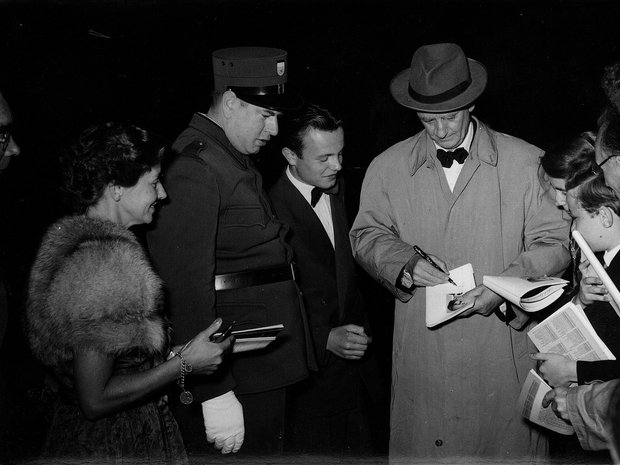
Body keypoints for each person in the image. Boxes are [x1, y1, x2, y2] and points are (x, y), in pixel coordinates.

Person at [350, 42, 571, 462]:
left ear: (471, 104)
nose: (439, 130)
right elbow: (365, 235)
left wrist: (504, 286)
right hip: (423, 353)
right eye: (426, 119)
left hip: (502, 347)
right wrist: (405, 262)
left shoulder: (527, 162)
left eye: (448, 117)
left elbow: (556, 243)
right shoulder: (386, 166)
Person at [25, 122, 232, 464]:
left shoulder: (72, 242)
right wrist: (183, 365)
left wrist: (170, 355)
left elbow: (101, 363)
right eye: (153, 183)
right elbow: (96, 399)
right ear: (116, 188)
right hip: (118, 442)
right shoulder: (106, 263)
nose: (162, 194)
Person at [146, 47, 314, 457]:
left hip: (260, 360)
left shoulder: (229, 157)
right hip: (236, 372)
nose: (274, 131)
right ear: (232, 101)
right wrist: (214, 393)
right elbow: (184, 286)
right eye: (266, 115)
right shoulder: (195, 166)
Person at [269, 103, 383, 454]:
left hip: (359, 372)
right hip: (310, 381)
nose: (337, 165)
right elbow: (265, 305)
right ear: (290, 155)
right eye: (324, 158)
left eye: (340, 153)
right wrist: (322, 340)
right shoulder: (268, 210)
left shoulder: (340, 187)